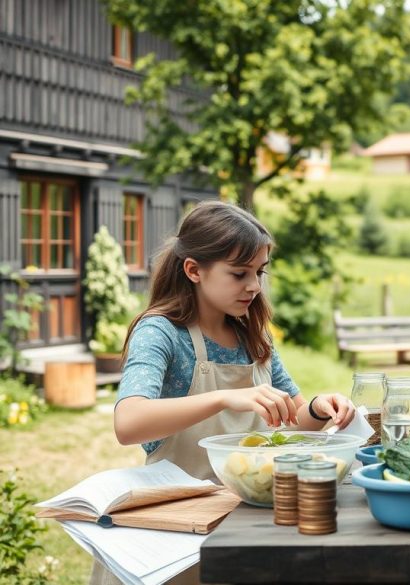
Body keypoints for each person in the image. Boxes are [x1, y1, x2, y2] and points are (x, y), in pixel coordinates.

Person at [100, 202, 358, 584]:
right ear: (194, 270)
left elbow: (296, 419)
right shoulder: (160, 333)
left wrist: (319, 409)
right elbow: (128, 423)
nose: (254, 286)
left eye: (259, 272)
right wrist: (222, 397)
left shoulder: (253, 336)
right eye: (239, 273)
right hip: (177, 527)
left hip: (251, 518)